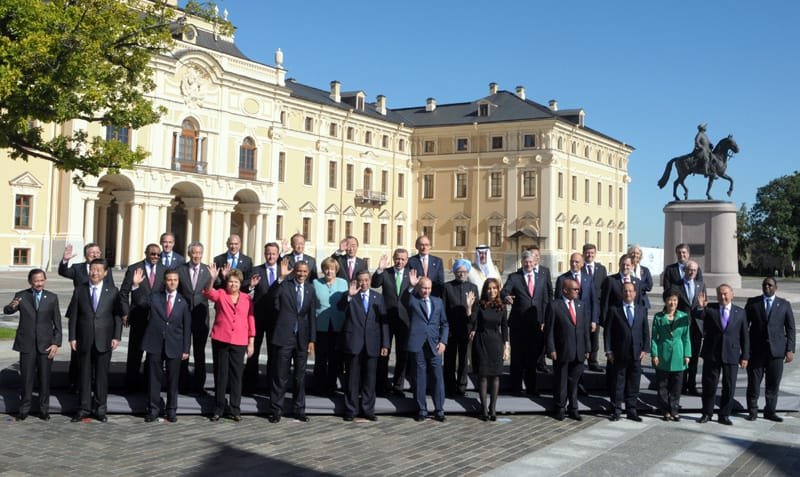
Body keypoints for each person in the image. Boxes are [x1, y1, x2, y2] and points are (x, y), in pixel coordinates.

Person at [68, 259, 126, 423]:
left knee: (102, 376)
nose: (94, 273)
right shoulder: (80, 290)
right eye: (92, 270)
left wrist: (116, 336)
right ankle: (84, 408)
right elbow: (73, 315)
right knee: (84, 375)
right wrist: (72, 337)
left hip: (104, 339)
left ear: (105, 273)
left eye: (98, 270)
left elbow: (117, 316)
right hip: (84, 338)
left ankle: (100, 409)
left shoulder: (112, 291)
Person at [132, 268, 191, 422]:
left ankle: (171, 410)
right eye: (169, 279)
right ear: (165, 281)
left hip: (175, 345)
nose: (172, 282)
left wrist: (186, 348)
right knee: (154, 380)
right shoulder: (155, 297)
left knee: (173, 380)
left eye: (175, 280)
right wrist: (136, 286)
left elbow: (187, 327)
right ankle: (153, 410)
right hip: (155, 344)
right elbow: (140, 302)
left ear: (178, 282)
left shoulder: (183, 301)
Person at [3, 269, 61, 421]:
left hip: (46, 345)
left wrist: (56, 343)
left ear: (45, 280)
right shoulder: (21, 296)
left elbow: (58, 324)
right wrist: (12, 306)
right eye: (36, 281)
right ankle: (24, 409)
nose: (39, 284)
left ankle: (44, 409)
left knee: (44, 379)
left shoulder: (52, 297)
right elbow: (7, 310)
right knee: (26, 379)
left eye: (42, 280)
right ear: (30, 281)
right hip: (27, 344)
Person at [58, 242, 115, 392]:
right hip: (81, 313)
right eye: (92, 252)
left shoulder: (106, 269)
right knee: (78, 352)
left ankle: (94, 383)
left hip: (99, 314)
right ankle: (75, 383)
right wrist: (65, 260)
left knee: (97, 353)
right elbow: (63, 272)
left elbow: (110, 289)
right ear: (86, 255)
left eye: (98, 252)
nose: (95, 254)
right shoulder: (78, 268)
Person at [203, 265, 255, 422]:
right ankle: (218, 408)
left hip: (239, 341)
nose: (233, 284)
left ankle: (235, 408)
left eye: (236, 282)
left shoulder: (247, 298)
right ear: (227, 283)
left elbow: (250, 320)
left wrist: (251, 342)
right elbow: (207, 292)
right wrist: (212, 279)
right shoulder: (221, 294)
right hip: (221, 339)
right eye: (231, 281)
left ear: (240, 284)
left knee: (236, 376)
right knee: (221, 375)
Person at [338, 270, 389, 421]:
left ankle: (368, 410)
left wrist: (385, 344)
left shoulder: (378, 297)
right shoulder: (350, 295)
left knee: (370, 380)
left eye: (366, 280)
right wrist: (349, 296)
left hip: (372, 343)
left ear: (370, 280)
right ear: (356, 281)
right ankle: (351, 410)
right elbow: (340, 308)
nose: (364, 283)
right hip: (354, 343)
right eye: (361, 280)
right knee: (352, 379)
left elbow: (384, 323)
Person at [268, 261, 316, 423]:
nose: (302, 274)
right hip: (284, 336)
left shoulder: (310, 288)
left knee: (300, 377)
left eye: (305, 271)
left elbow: (311, 315)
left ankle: (299, 409)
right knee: (280, 375)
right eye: (299, 271)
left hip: (302, 338)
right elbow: (272, 295)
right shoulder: (285, 285)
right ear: (294, 272)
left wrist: (312, 339)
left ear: (308, 273)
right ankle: (276, 410)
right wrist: (281, 278)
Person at [695, 284, 749, 425]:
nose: (722, 296)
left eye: (725, 294)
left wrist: (745, 356)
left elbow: (745, 335)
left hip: (731, 354)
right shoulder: (710, 308)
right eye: (719, 294)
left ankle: (724, 415)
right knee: (709, 386)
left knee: (729, 386)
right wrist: (700, 307)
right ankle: (707, 413)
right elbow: (699, 315)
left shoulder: (740, 312)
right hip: (712, 353)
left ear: (732, 295)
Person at [744, 277, 795, 422]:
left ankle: (770, 411)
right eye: (764, 285)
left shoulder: (784, 304)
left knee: (773, 384)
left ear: (776, 287)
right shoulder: (753, 303)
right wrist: (745, 350)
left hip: (776, 352)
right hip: (756, 352)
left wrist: (790, 349)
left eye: (770, 285)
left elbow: (790, 328)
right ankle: (752, 411)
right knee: (753, 384)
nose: (767, 287)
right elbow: (744, 327)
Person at [502, 250, 551, 396]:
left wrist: (544, 320)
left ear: (534, 263)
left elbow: (545, 300)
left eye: (530, 262)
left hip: (536, 323)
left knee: (532, 357)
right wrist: (506, 297)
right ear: (522, 262)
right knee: (517, 357)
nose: (528, 264)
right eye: (526, 262)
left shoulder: (541, 278)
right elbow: (504, 291)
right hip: (518, 324)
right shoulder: (514, 277)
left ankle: (532, 387)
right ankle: (516, 387)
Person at [119, 243, 165, 391]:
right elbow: (124, 293)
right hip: (138, 316)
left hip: (156, 319)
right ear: (146, 253)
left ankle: (148, 384)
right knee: (135, 352)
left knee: (153, 354)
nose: (156, 257)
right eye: (153, 254)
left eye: (158, 254)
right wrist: (125, 312)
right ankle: (131, 385)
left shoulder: (164, 270)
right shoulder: (134, 268)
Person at [545, 278, 591, 421]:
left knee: (574, 382)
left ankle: (574, 408)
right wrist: (551, 348)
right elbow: (549, 330)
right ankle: (560, 408)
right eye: (574, 289)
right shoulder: (554, 306)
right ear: (565, 290)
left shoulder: (581, 305)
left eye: (578, 289)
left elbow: (585, 329)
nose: (578, 291)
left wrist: (587, 348)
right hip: (562, 350)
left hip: (579, 351)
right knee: (561, 381)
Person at [604, 282, 650, 422]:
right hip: (619, 353)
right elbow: (608, 332)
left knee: (633, 383)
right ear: (621, 292)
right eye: (625, 291)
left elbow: (645, 331)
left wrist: (645, 349)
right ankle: (616, 410)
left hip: (636, 353)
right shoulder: (614, 310)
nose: (628, 293)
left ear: (635, 293)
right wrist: (608, 351)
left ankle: (631, 410)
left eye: (630, 291)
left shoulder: (641, 310)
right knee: (618, 383)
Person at [243, 242, 285, 394]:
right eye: (268, 253)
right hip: (258, 316)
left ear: (278, 254)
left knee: (273, 353)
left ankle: (270, 387)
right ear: (264, 254)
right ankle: (249, 385)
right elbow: (243, 288)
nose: (270, 256)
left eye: (273, 254)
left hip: (276, 317)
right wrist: (251, 285)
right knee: (253, 351)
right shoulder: (256, 270)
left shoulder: (283, 271)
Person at [407, 276, 448, 422]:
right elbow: (406, 300)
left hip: (435, 345)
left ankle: (439, 409)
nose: (426, 291)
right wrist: (411, 287)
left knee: (437, 377)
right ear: (419, 288)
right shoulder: (413, 300)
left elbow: (444, 323)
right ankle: (422, 409)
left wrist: (443, 341)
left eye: (429, 288)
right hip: (418, 344)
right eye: (424, 288)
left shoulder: (438, 302)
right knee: (420, 377)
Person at [371, 248, 412, 396]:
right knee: (384, 352)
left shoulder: (411, 274)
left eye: (402, 259)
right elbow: (374, 284)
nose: (399, 261)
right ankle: (381, 385)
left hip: (404, 320)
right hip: (386, 319)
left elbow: (416, 295)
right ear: (393, 258)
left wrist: (413, 286)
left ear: (407, 260)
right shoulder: (386, 273)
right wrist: (379, 269)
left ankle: (398, 386)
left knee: (403, 354)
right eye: (397, 258)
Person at [469, 278, 508, 421]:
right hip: (481, 342)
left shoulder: (502, 306)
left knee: (496, 376)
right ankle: (484, 408)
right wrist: (469, 307)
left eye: (494, 288)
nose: (492, 291)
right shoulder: (480, 305)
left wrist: (506, 346)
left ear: (498, 290)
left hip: (496, 343)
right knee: (483, 376)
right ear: (485, 290)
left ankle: (493, 408)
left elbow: (504, 327)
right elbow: (472, 321)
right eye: (489, 288)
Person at [650, 289, 691, 421]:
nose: (672, 303)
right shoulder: (658, 317)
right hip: (663, 354)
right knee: (662, 385)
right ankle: (665, 410)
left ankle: (674, 409)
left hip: (679, 353)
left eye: (675, 300)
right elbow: (654, 338)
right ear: (665, 301)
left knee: (677, 385)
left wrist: (687, 354)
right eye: (669, 300)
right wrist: (654, 354)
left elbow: (686, 337)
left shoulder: (683, 317)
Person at [176, 241, 211, 395]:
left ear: (202, 254)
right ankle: (182, 383)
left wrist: (219, 276)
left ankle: (199, 385)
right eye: (194, 253)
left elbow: (216, 287)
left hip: (201, 317)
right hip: (183, 317)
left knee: (199, 353)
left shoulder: (208, 271)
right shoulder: (180, 270)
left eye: (199, 253)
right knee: (183, 351)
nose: (196, 256)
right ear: (189, 254)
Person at [442, 259, 479, 396]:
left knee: (464, 359)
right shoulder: (447, 287)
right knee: (449, 359)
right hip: (450, 329)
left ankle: (462, 386)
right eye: (458, 271)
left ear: (468, 272)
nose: (461, 274)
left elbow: (476, 309)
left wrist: (474, 328)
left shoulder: (473, 287)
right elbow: (443, 308)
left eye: (464, 271)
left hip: (466, 328)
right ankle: (449, 386)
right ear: (454, 272)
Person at [312, 256, 348, 395]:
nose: (329, 271)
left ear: (336, 270)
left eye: (332, 269)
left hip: (338, 325)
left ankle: (331, 386)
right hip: (321, 325)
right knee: (320, 358)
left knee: (335, 358)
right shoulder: (316, 283)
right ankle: (318, 387)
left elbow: (346, 302)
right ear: (323, 270)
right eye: (326, 269)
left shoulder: (343, 283)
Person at [670, 260, 705, 396]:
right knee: (681, 356)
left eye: (694, 270)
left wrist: (702, 307)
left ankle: (692, 385)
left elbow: (703, 304)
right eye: (690, 269)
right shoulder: (676, 285)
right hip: (681, 325)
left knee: (694, 358)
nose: (692, 272)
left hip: (696, 326)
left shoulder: (701, 285)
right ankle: (681, 385)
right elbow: (672, 305)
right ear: (685, 270)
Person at [582, 243, 607, 372]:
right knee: (581, 335)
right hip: (582, 308)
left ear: (595, 254)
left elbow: (605, 289)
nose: (589, 255)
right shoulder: (580, 268)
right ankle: (580, 360)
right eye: (587, 252)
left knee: (594, 337)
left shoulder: (601, 269)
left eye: (592, 253)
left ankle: (593, 361)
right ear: (583, 254)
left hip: (596, 309)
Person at [628, 245, 653, 311]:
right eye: (633, 253)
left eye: (637, 253)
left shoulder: (645, 270)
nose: (635, 255)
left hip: (642, 302)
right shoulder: (626, 269)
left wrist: (635, 285)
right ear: (629, 255)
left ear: (640, 256)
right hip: (628, 300)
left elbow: (649, 286)